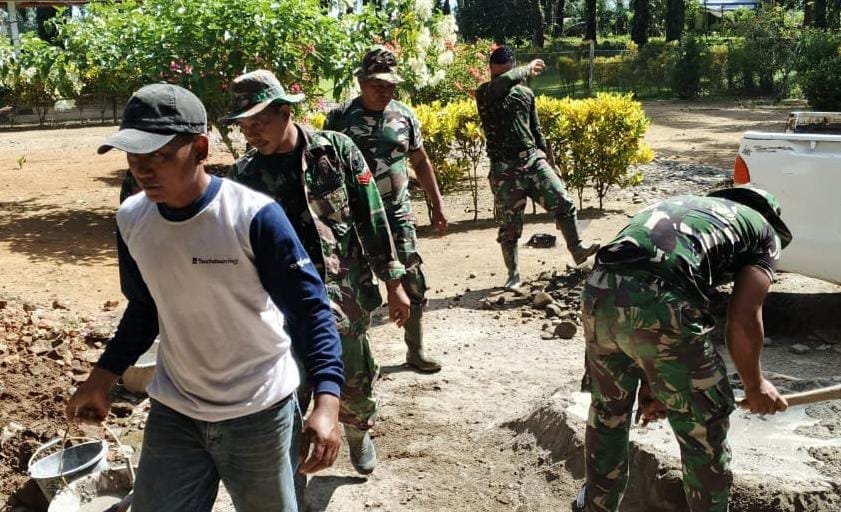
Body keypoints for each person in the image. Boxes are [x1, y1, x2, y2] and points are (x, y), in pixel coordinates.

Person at [68, 84, 344, 512]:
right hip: (178, 406)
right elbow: (145, 307)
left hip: (260, 404)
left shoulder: (253, 218)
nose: (142, 169)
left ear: (198, 148)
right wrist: (102, 377)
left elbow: (312, 312)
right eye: (133, 155)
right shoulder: (132, 220)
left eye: (158, 155)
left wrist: (327, 402)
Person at [574, 190, 792, 512]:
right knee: (703, 421)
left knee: (609, 408)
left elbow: (636, 294)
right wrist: (755, 385)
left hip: (598, 293)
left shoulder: (693, 211)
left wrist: (655, 387)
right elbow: (744, 316)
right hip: (660, 300)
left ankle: (598, 509)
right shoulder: (762, 230)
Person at [222, 70, 410, 476]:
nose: (251, 134)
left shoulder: (336, 151)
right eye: (244, 126)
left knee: (354, 380)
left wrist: (394, 283)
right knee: (291, 386)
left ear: (285, 112)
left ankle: (358, 431)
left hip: (343, 296)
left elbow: (372, 216)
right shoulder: (242, 177)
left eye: (259, 122)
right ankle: (296, 466)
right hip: (281, 304)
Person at [325, 46, 446, 373]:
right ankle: (365, 360)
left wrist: (437, 204)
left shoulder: (404, 116)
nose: (384, 91)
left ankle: (415, 350)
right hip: (355, 219)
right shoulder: (340, 118)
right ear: (361, 81)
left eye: (390, 85)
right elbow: (326, 169)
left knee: (412, 278)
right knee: (357, 285)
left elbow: (420, 160)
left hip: (397, 214)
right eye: (377, 84)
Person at [475, 45, 598, 289]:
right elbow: (504, 82)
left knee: (564, 202)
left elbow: (536, 130)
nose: (502, 79)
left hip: (532, 160)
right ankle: (513, 275)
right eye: (497, 74)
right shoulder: (485, 93)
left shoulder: (526, 95)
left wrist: (550, 162)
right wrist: (528, 68)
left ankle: (577, 250)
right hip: (504, 168)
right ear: (490, 71)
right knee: (510, 227)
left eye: (506, 73)